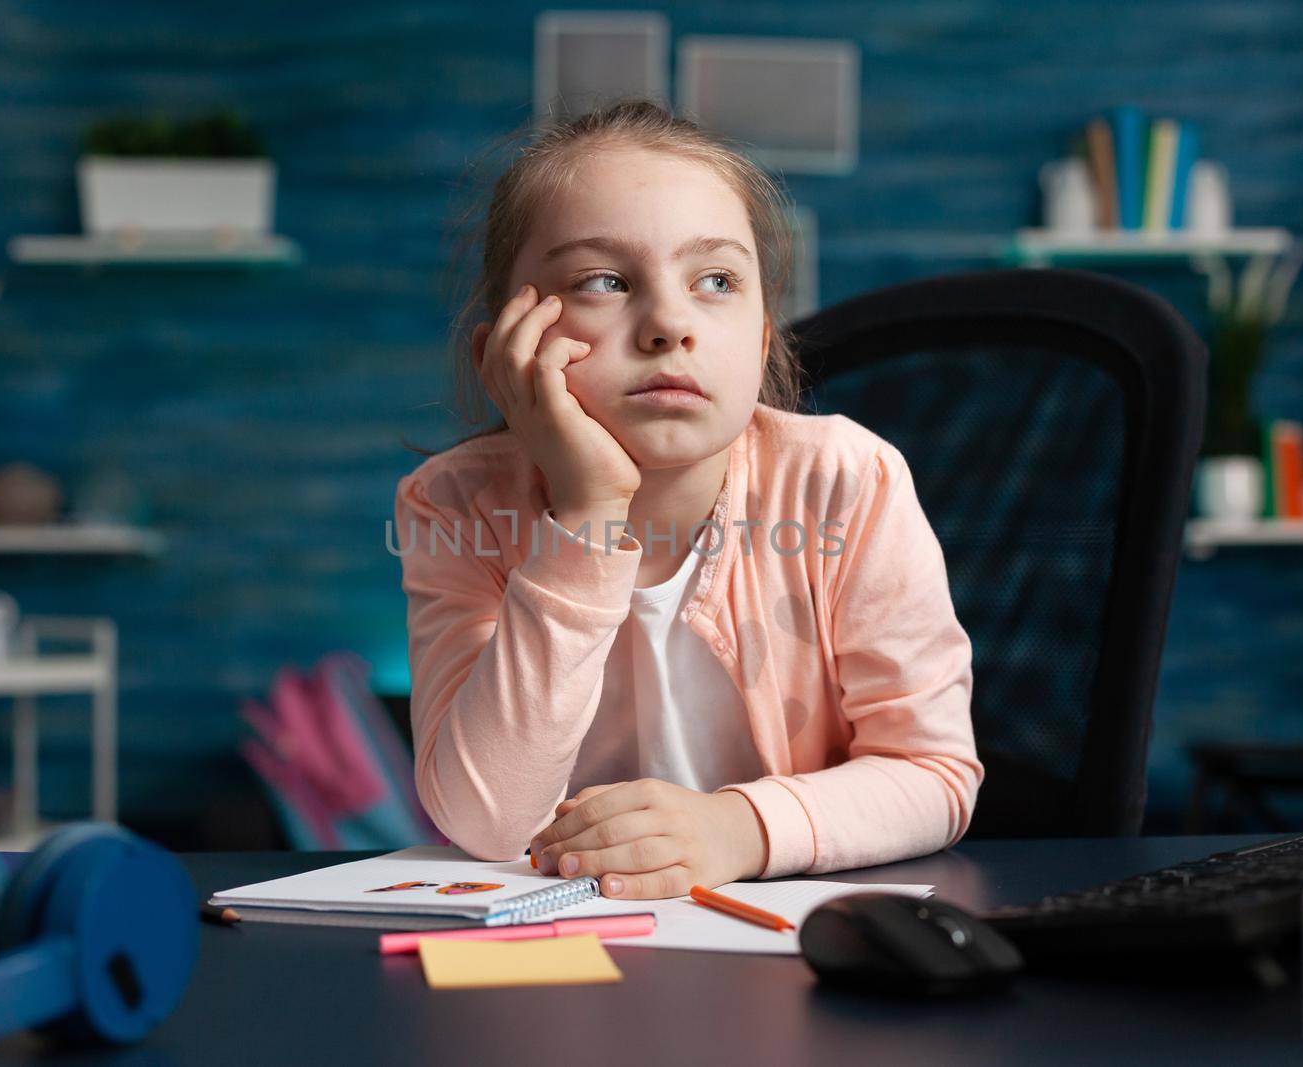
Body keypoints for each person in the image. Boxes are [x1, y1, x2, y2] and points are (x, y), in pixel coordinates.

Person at [391, 100, 980, 900]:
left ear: (763, 339)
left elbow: (934, 773)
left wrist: (735, 828)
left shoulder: (849, 481)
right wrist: (587, 510)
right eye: (604, 280)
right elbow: (485, 818)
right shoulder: (455, 505)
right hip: (567, 953)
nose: (670, 322)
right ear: (504, 353)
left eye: (716, 281)